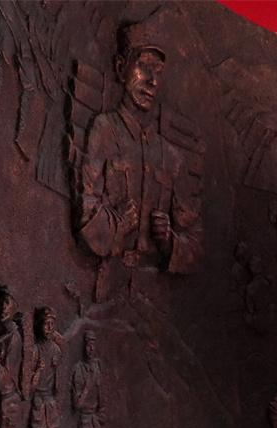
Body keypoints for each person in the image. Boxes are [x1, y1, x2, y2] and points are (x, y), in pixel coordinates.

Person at [76, 10, 203, 274]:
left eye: (158, 71)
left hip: (153, 291)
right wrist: (118, 225)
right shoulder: (104, 130)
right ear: (121, 68)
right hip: (111, 281)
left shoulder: (171, 157)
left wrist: (170, 242)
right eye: (143, 66)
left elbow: (195, 242)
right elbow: (86, 211)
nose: (152, 81)